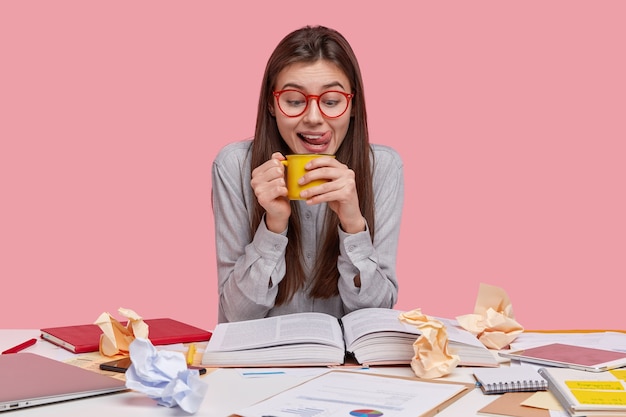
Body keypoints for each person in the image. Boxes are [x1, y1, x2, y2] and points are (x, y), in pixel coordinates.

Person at [212, 25, 404, 323]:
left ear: (352, 105)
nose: (314, 118)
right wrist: (274, 225)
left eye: (331, 102)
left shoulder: (383, 167)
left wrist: (353, 225)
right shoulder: (234, 166)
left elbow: (377, 318)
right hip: (261, 365)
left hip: (346, 366)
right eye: (294, 100)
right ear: (272, 105)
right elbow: (236, 317)